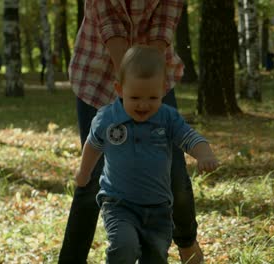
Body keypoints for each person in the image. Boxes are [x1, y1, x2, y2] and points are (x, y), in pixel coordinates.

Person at [59, 1, 205, 263]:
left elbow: (165, 19)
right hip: (98, 67)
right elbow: (108, 22)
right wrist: (128, 85)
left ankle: (187, 245)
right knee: (91, 178)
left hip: (151, 74)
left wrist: (149, 83)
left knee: (174, 171)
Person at [75, 45, 218, 263]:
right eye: (135, 97)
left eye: (152, 97)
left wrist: (204, 154)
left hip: (159, 208)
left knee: (156, 256)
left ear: (163, 90)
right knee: (124, 246)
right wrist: (84, 172)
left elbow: (189, 138)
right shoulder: (107, 119)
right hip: (118, 204)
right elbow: (93, 145)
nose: (143, 104)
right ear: (120, 89)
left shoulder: (167, 118)